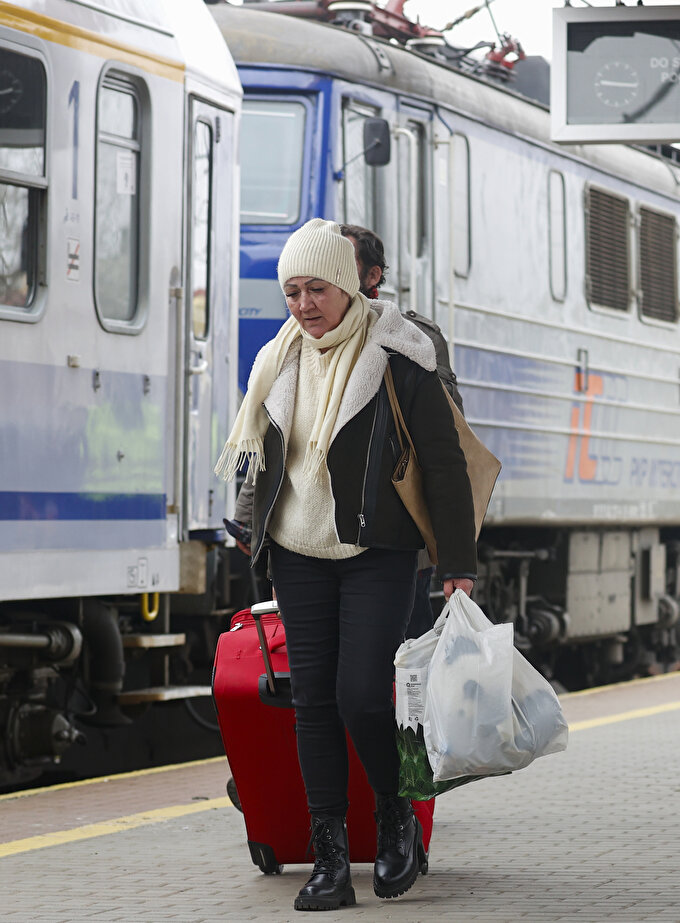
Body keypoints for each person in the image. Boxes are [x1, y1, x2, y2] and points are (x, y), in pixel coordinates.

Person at [216, 218, 476, 911]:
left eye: (317, 289)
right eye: (293, 291)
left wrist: (456, 560)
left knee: (362, 693)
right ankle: (329, 856)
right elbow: (264, 455)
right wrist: (250, 528)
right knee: (313, 703)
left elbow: (444, 463)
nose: (304, 304)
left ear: (349, 285)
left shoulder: (400, 356)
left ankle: (395, 817)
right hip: (297, 550)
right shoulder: (278, 358)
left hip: (377, 549)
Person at [338, 224, 465, 639]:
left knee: (403, 646)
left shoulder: (413, 338)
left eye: (343, 262)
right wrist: (250, 514)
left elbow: (444, 443)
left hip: (394, 524)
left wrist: (455, 557)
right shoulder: (303, 341)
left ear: (373, 276)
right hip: (325, 530)